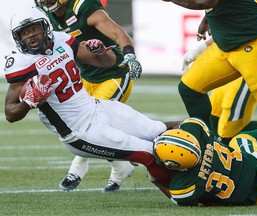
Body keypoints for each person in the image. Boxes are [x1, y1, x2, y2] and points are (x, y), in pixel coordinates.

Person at [4, 7, 174, 191]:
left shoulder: (62, 40)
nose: (31, 36)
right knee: (149, 152)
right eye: (25, 33)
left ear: (45, 27)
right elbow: (10, 113)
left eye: (35, 29)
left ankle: (205, 154)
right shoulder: (20, 63)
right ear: (18, 38)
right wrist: (28, 102)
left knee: (162, 130)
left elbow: (107, 63)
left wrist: (101, 50)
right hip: (79, 131)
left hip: (96, 108)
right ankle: (182, 193)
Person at [34, 0, 142, 192]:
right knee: (79, 122)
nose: (45, 1)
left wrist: (130, 55)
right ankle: (121, 166)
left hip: (113, 75)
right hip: (84, 78)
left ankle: (77, 169)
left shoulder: (83, 7)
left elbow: (119, 33)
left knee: (92, 122)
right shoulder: (46, 15)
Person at [162, 0, 257, 132]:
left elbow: (204, 3)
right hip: (227, 45)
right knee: (190, 89)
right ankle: (207, 143)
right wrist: (207, 20)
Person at [153, 117, 257, 206]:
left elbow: (176, 199)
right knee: (242, 138)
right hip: (256, 166)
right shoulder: (195, 130)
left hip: (252, 198)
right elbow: (182, 124)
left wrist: (155, 179)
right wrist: (160, 127)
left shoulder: (184, 184)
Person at [182, 40, 257, 144]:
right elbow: (225, 30)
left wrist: (201, 47)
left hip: (249, 68)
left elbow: (240, 27)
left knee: (225, 135)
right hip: (230, 64)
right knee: (213, 116)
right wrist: (202, 46)